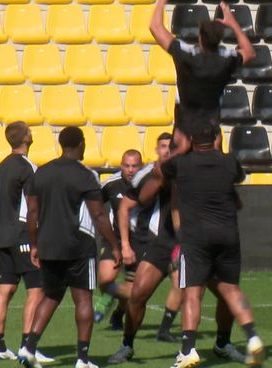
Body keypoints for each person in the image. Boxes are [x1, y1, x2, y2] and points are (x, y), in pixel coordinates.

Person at [159, 122, 263, 368]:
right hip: (228, 235)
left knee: (193, 293)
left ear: (192, 141)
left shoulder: (182, 164)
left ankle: (188, 350)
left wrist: (181, 148)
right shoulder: (229, 162)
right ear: (217, 139)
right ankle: (253, 337)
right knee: (232, 290)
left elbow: (162, 168)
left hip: (196, 238)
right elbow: (238, 177)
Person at [19, 127, 122, 368]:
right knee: (83, 298)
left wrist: (34, 244)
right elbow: (98, 214)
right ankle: (82, 359)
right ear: (80, 144)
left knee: (51, 295)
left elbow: (32, 213)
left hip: (47, 244)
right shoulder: (85, 175)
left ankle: (29, 348)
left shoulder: (41, 173)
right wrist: (115, 245)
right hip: (78, 245)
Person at [150, 0, 255, 156]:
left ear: (200, 38)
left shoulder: (186, 55)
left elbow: (155, 27)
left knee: (176, 172)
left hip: (185, 124)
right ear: (219, 40)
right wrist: (233, 24)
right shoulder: (225, 59)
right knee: (211, 173)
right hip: (210, 128)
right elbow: (249, 52)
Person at [107, 134, 180, 364]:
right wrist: (126, 244)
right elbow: (125, 207)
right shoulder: (147, 175)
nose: (167, 151)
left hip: (184, 241)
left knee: (184, 288)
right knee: (137, 294)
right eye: (164, 147)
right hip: (151, 241)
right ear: (157, 149)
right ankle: (127, 343)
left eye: (171, 147)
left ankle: (172, 334)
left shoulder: (187, 171)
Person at [0, 121, 52, 363]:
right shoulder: (29, 167)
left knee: (5, 288)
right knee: (36, 290)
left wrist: (4, 226)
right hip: (23, 236)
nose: (32, 133)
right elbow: (33, 206)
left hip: (3, 235)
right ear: (25, 138)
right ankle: (28, 346)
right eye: (30, 130)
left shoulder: (1, 167)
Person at [93, 149, 143, 330]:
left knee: (133, 290)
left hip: (140, 242)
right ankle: (108, 296)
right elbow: (95, 204)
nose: (130, 170)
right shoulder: (111, 184)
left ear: (141, 166)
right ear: (121, 166)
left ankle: (118, 314)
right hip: (114, 239)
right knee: (105, 280)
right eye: (126, 166)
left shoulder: (148, 184)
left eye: (134, 166)